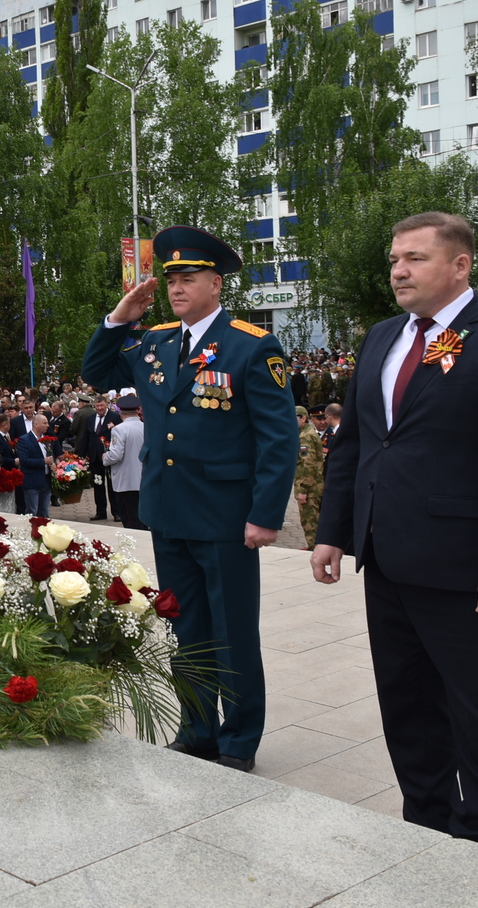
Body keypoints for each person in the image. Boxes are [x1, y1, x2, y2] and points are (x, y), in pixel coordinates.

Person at [311, 212, 478, 855]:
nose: (399, 271)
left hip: (465, 572)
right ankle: (427, 834)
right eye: (395, 260)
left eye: (415, 259)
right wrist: (333, 531)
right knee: (409, 713)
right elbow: (355, 444)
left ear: (460, 265)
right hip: (387, 562)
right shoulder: (382, 337)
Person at [83, 225, 298, 772]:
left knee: (232, 631)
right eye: (171, 279)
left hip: (225, 516)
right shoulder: (153, 341)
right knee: (186, 630)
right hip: (168, 510)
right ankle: (197, 730)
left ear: (215, 284)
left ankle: (239, 740)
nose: (177, 288)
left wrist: (265, 514)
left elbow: (278, 439)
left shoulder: (251, 345)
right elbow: (96, 371)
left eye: (189, 278)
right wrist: (120, 316)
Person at [101, 394, 145, 530]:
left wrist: (105, 457)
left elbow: (116, 454)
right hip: (143, 479)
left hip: (126, 480)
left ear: (121, 413)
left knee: (130, 518)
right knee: (142, 518)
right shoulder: (145, 427)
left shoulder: (119, 429)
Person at [72, 394, 119, 520]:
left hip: (110, 456)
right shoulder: (91, 418)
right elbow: (86, 437)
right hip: (95, 457)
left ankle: (117, 512)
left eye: (101, 405)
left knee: (112, 485)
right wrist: (81, 456)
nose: (99, 408)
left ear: (107, 405)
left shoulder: (115, 417)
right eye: (97, 406)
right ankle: (101, 511)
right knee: (98, 484)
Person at [293, 405, 325, 550]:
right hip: (314, 485)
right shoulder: (307, 433)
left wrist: (303, 490)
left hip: (310, 488)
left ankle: (315, 549)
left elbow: (308, 464)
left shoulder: (305, 437)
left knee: (310, 521)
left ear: (303, 418)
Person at [16, 412, 54, 517]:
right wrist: (43, 461)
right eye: (45, 423)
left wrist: (52, 463)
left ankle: (44, 527)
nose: (47, 425)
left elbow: (50, 456)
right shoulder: (24, 440)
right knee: (32, 511)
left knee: (44, 512)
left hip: (46, 480)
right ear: (36, 424)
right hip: (32, 481)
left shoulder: (46, 439)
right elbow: (24, 460)